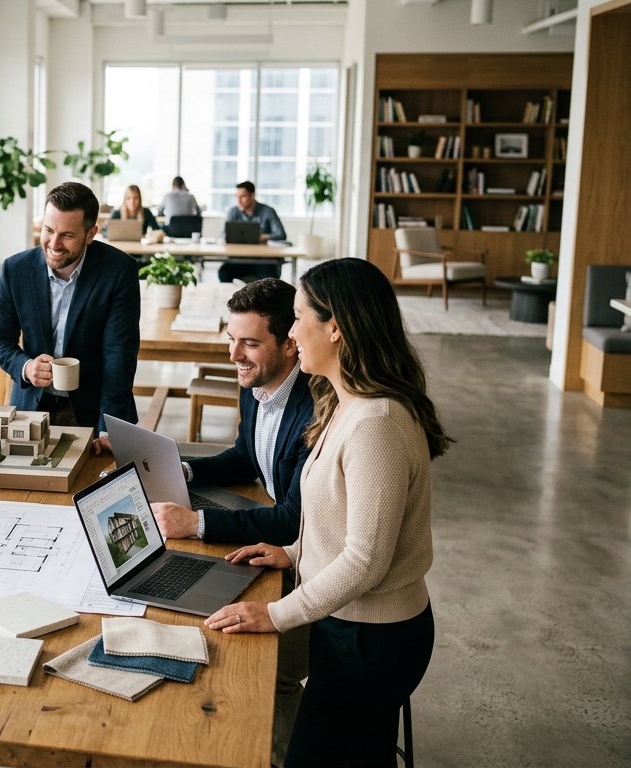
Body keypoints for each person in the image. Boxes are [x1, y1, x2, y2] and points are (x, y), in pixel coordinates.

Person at [206, 257, 447, 767]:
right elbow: (338, 517)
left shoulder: (375, 423)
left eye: (296, 318)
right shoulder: (344, 402)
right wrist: (293, 552)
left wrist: (274, 614)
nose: (291, 332)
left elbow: (366, 559)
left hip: (373, 639)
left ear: (334, 327)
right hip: (351, 623)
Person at [148, 277, 313, 767]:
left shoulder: (312, 406)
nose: (234, 354)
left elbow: (291, 520)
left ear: (289, 345)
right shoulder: (258, 383)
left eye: (249, 342)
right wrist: (186, 469)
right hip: (282, 546)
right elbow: (246, 456)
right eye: (230, 338)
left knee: (241, 658)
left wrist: (196, 523)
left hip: (310, 564)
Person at [0, 181, 140, 455]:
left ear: (91, 234)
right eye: (48, 230)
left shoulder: (119, 271)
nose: (53, 244)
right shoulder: (15, 269)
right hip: (30, 408)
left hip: (93, 413)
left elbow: (119, 355)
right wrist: (25, 367)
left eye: (67, 235)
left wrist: (109, 428)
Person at [221, 180, 287, 283]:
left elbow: (281, 234)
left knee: (268, 275)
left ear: (252, 196)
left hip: (263, 261)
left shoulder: (268, 211)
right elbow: (224, 234)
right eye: (237, 197)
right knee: (223, 272)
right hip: (239, 260)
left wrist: (264, 237)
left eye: (242, 197)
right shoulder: (233, 211)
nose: (239, 201)